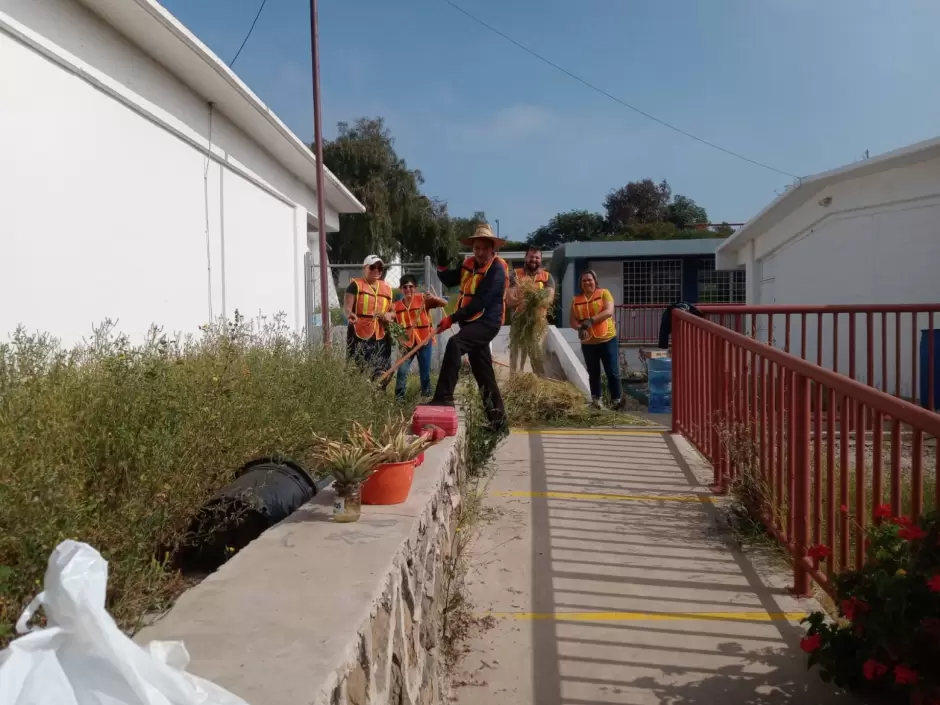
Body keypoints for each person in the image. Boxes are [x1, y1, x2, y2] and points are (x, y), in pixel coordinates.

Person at [429, 224, 509, 432]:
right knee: (483, 373)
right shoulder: (468, 264)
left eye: (484, 248)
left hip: (486, 323)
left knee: (455, 344)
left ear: (493, 249)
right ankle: (498, 421)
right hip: (470, 322)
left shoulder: (497, 269)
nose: (480, 253)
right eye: (476, 248)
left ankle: (443, 398)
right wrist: (440, 259)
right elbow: (449, 278)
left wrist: (452, 319)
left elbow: (479, 302)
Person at [570, 270, 625, 410]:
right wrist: (579, 328)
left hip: (606, 338)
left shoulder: (604, 293)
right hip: (588, 342)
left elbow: (608, 311)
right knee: (593, 373)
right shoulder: (576, 300)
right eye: (584, 281)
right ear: (580, 284)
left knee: (612, 371)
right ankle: (596, 401)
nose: (587, 282)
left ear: (595, 281)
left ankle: (616, 400)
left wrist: (591, 321)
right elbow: (572, 321)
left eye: (590, 280)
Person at [393, 275, 448, 400]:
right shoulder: (396, 306)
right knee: (402, 370)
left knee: (424, 373)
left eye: (411, 286)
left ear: (415, 288)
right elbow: (391, 317)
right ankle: (399, 400)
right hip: (407, 343)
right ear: (401, 289)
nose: (408, 289)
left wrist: (433, 297)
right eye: (405, 287)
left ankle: (427, 397)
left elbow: (444, 303)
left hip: (424, 341)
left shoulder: (422, 299)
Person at [344, 254, 395, 379]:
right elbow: (347, 308)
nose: (376, 270)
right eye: (372, 267)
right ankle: (356, 392)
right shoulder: (355, 285)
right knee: (358, 365)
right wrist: (351, 315)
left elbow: (393, 312)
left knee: (383, 366)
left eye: (380, 268)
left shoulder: (387, 288)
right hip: (360, 332)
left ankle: (377, 393)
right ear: (365, 268)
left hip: (382, 333)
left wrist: (388, 315)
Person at [507, 246, 555, 375]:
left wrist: (535, 301)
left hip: (538, 323)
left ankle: (540, 382)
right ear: (525, 258)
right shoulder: (515, 274)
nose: (534, 259)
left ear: (541, 259)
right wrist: (522, 302)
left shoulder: (547, 277)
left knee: (537, 355)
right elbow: (509, 298)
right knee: (515, 356)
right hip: (519, 321)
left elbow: (549, 298)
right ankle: (515, 383)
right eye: (531, 257)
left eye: (537, 257)